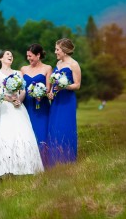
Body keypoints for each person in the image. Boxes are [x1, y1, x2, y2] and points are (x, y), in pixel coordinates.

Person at [0, 50, 44, 179]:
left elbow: (23, 90)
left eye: (12, 55)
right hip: (2, 106)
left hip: (17, 107)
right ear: (0, 59)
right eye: (7, 55)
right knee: (2, 135)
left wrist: (19, 100)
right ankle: (1, 168)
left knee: (20, 135)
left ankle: (22, 167)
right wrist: (9, 99)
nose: (10, 56)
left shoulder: (18, 73)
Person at [46, 38, 82, 167]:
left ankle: (68, 159)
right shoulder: (58, 63)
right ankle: (54, 160)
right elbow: (54, 82)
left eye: (57, 49)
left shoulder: (74, 64)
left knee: (66, 126)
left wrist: (64, 86)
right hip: (56, 100)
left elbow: (77, 85)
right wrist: (51, 92)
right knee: (55, 127)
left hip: (67, 100)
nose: (55, 52)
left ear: (65, 51)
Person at [20, 43, 52, 165]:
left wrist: (40, 93)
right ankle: (29, 162)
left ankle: (44, 161)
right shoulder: (23, 69)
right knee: (28, 132)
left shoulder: (47, 68)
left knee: (41, 131)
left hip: (41, 105)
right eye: (27, 56)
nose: (28, 58)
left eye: (30, 56)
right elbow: (21, 88)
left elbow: (48, 89)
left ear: (38, 55)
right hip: (27, 105)